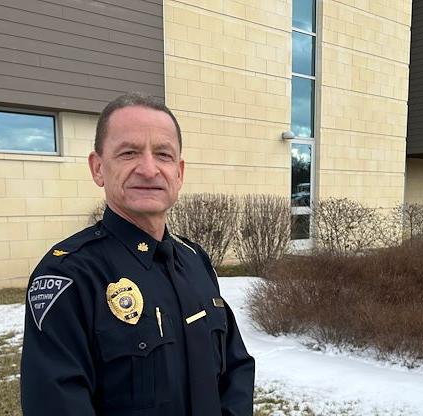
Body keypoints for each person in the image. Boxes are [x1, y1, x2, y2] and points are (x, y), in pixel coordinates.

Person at [20, 93, 255, 416]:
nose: (149, 169)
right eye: (129, 153)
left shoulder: (194, 260)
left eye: (163, 154)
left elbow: (236, 369)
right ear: (98, 168)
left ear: (179, 173)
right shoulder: (69, 275)